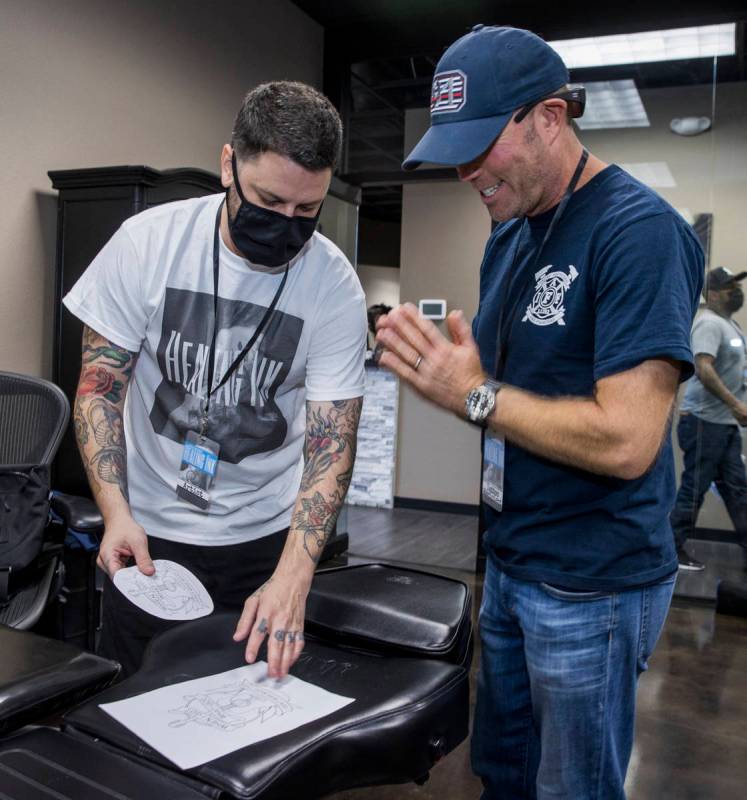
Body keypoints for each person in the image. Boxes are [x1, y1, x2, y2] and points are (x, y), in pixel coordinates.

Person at [376, 25, 703, 800]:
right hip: (512, 559)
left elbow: (627, 439)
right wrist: (453, 377)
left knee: (573, 789)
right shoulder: (511, 234)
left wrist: (473, 395)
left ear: (548, 118)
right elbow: (503, 394)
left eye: (481, 143)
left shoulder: (638, 232)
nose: (464, 170)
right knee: (504, 775)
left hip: (591, 582)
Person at [64, 81, 367, 679]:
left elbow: (331, 446)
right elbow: (100, 388)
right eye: (269, 201)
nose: (285, 225)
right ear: (228, 164)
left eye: (307, 211)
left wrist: (293, 575)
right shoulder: (148, 243)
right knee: (138, 705)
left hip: (265, 541)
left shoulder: (333, 285)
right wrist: (116, 512)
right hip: (147, 534)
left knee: (244, 718)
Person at [670, 266, 747, 570]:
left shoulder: (731, 325)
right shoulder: (709, 324)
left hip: (722, 424)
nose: (737, 292)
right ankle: (671, 550)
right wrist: (734, 405)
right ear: (712, 294)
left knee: (738, 489)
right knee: (695, 487)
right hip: (704, 422)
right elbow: (703, 367)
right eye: (730, 288)